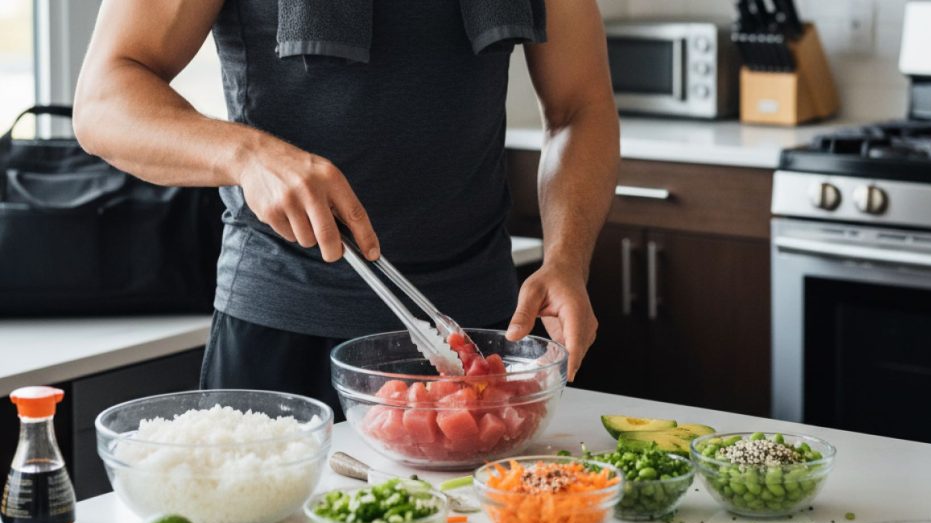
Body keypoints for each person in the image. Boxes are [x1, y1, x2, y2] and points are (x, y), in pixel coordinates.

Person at [73, 0, 619, 416]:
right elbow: (104, 99)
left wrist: (567, 259)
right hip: (284, 335)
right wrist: (248, 155)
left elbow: (580, 106)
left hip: (481, 337)